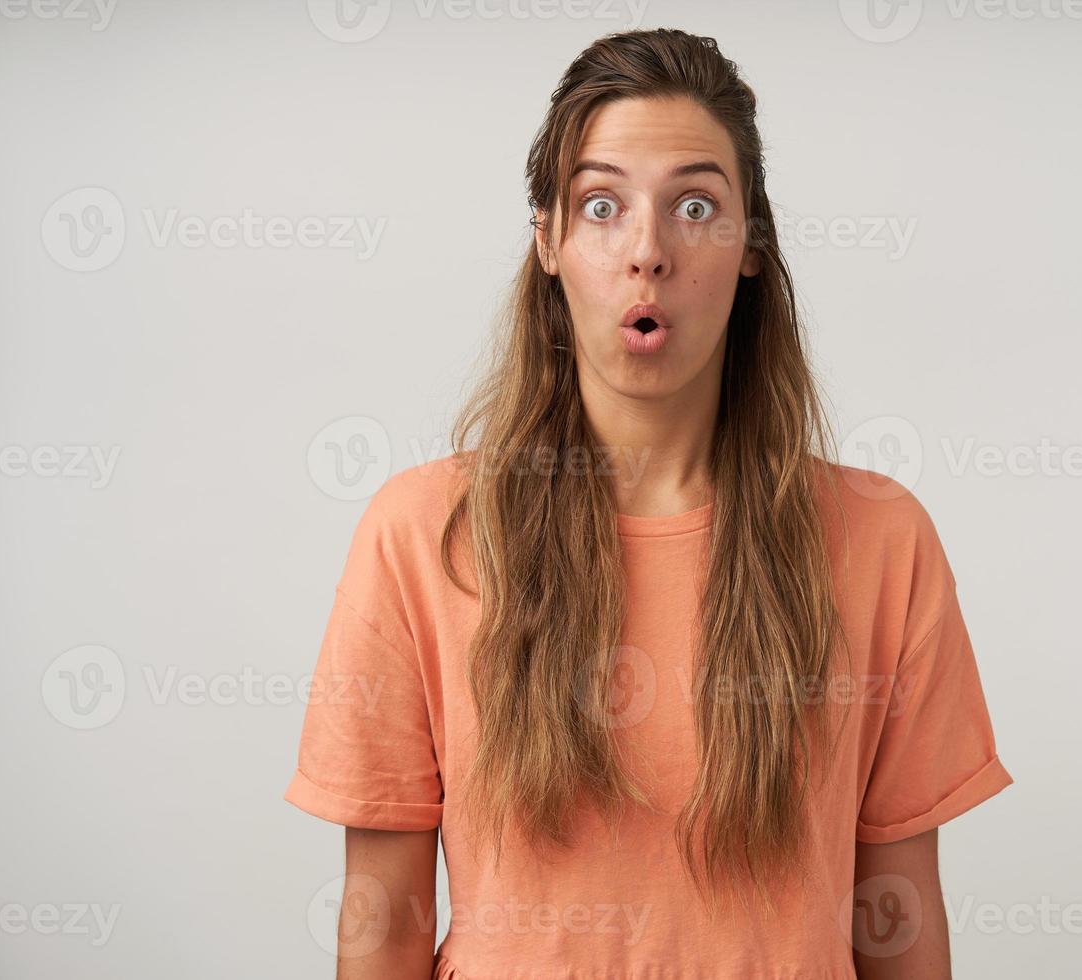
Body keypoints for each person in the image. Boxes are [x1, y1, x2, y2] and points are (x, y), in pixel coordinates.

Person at [283, 27, 1012, 980]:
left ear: (752, 246)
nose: (648, 252)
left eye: (696, 205)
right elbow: (382, 928)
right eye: (601, 205)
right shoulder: (422, 536)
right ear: (547, 241)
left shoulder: (882, 541)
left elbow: (898, 926)